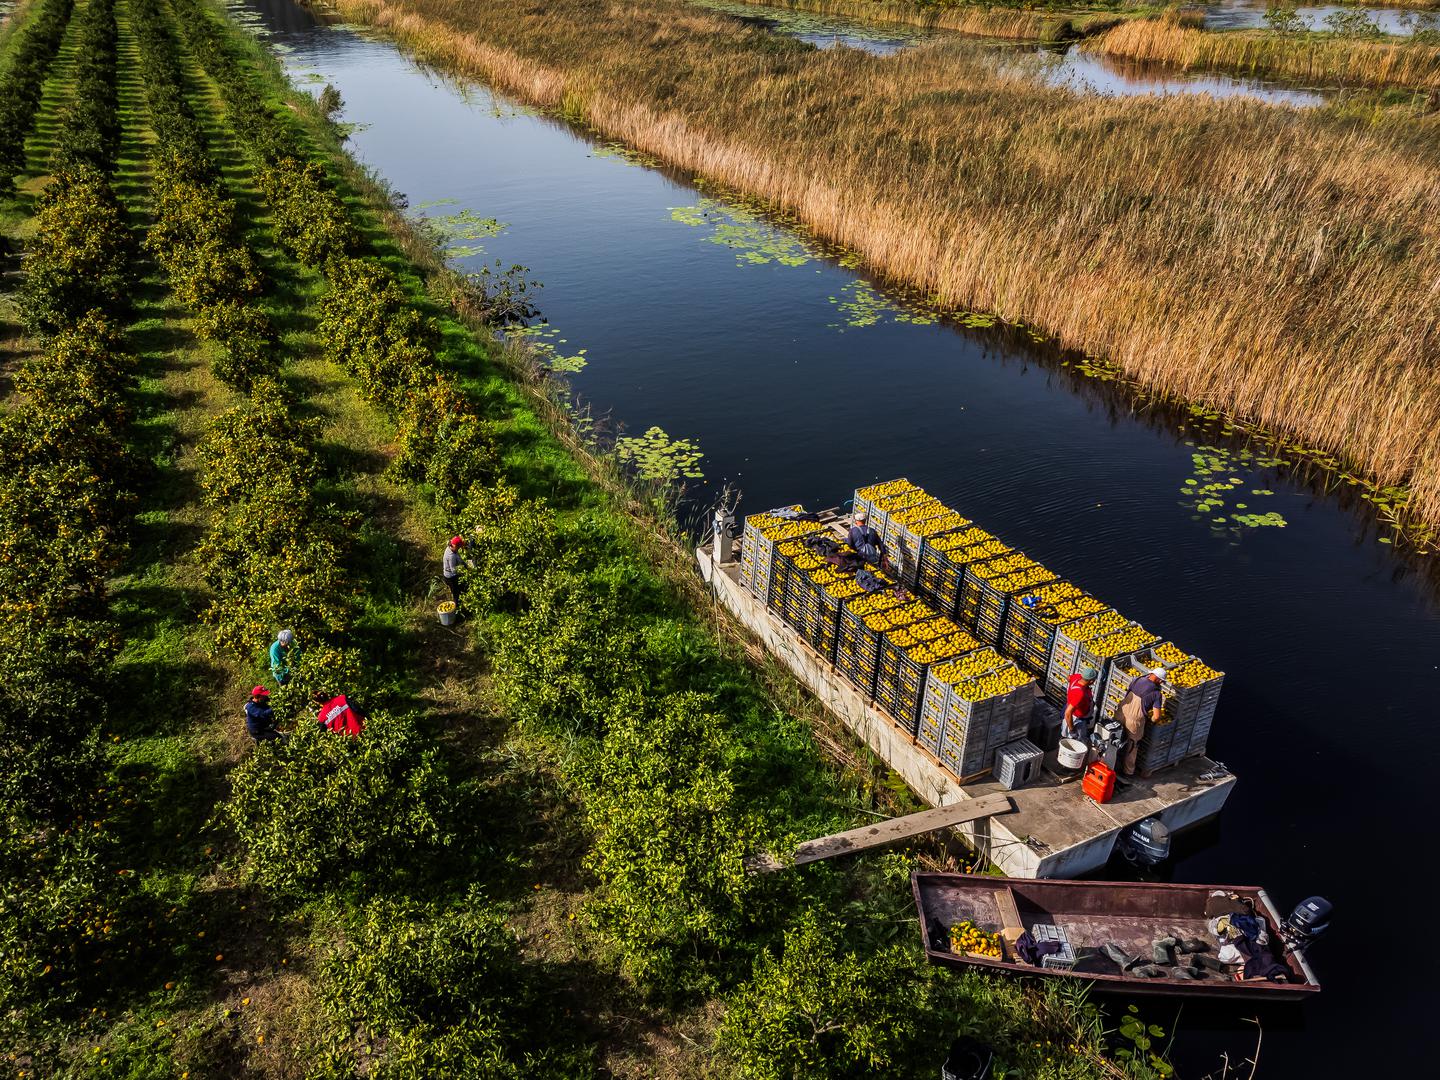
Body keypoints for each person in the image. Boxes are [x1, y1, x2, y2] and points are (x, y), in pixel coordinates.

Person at [1117, 667, 1166, 775]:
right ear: (1159, 679)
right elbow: (1157, 716)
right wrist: (1150, 720)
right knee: (1132, 745)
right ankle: (1127, 772)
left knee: (1115, 738)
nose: (1162, 683)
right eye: (1162, 681)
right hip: (1135, 720)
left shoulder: (1137, 679)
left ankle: (1110, 763)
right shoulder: (1157, 693)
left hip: (1121, 712)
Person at [1063, 665, 1098, 741]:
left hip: (1077, 711)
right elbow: (1068, 713)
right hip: (1077, 720)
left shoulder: (1077, 677)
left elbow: (1069, 677)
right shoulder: (1079, 694)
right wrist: (1072, 730)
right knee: (1077, 741)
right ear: (1091, 681)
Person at [441, 535, 472, 612]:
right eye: (458, 547)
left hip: (453, 575)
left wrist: (465, 565)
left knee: (462, 588)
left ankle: (462, 605)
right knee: (456, 593)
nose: (459, 548)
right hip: (451, 577)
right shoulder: (451, 556)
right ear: (455, 546)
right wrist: (464, 571)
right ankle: (457, 610)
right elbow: (453, 570)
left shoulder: (452, 549)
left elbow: (459, 559)